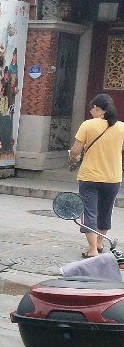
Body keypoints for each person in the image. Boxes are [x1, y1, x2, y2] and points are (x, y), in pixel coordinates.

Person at [69, 94, 124, 258]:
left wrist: (74, 157)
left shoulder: (87, 125)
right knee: (106, 211)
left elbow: (75, 151)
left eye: (91, 108)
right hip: (112, 177)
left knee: (89, 212)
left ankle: (92, 250)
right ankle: (100, 243)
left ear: (96, 108)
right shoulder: (121, 127)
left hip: (89, 177)